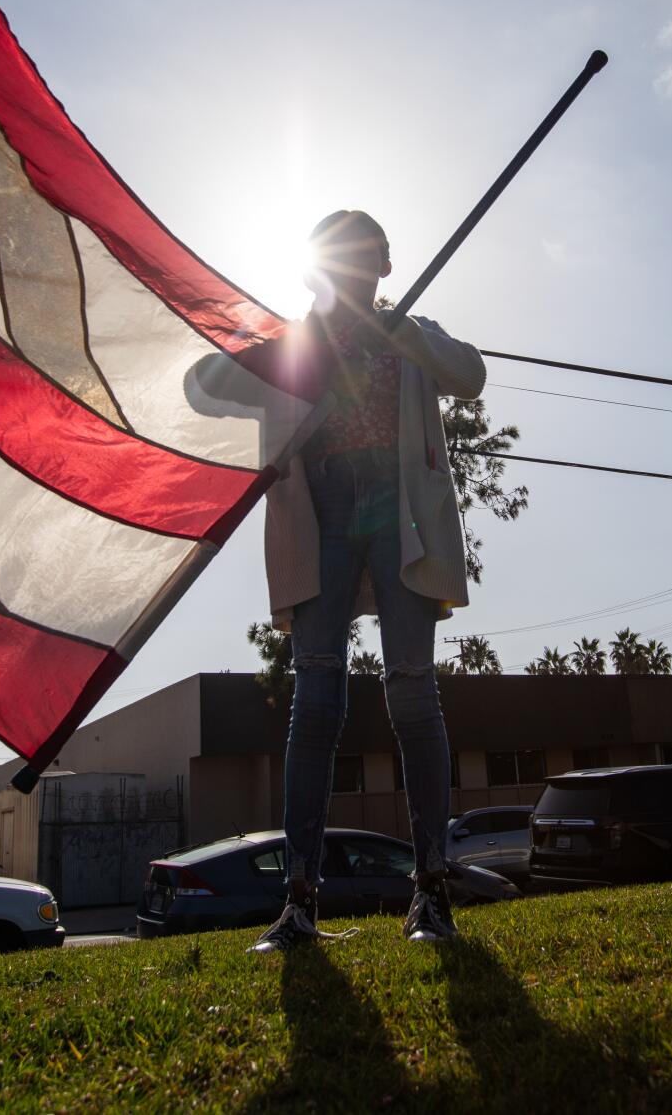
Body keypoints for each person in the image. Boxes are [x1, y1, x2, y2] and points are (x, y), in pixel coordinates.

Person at [249, 209, 486, 952]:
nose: (353, 271)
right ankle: (299, 901)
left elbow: (472, 376)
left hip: (397, 513)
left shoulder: (410, 331)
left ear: (385, 268)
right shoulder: (297, 340)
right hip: (321, 514)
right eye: (338, 260)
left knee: (411, 688)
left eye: (366, 259)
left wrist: (400, 332)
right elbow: (218, 390)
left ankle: (431, 890)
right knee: (316, 698)